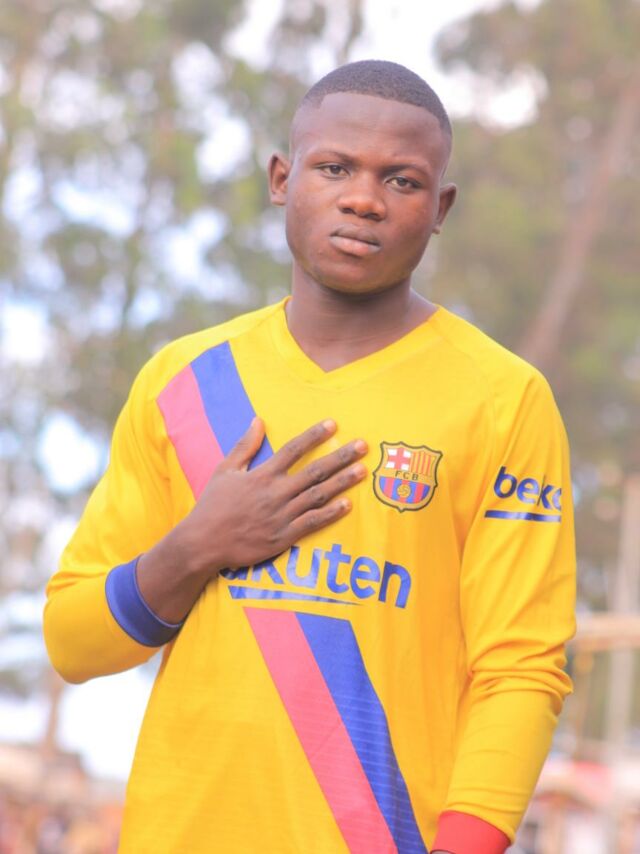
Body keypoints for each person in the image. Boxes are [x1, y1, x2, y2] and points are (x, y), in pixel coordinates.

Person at [44, 60, 576, 854]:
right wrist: (197, 546)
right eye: (334, 168)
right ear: (282, 179)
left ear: (440, 209)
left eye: (402, 180)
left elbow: (520, 670)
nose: (364, 199)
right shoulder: (183, 382)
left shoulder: (504, 399)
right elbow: (72, 642)